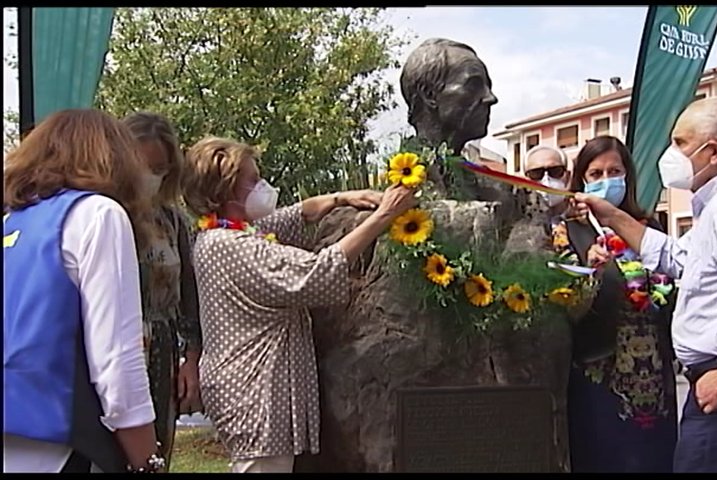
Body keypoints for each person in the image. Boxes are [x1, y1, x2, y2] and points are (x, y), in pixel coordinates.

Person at [575, 97, 717, 473]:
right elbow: (679, 258)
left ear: (712, 152)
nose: (672, 154)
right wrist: (614, 216)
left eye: (681, 143)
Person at [181, 136, 416, 473]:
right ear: (226, 189)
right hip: (253, 396)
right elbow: (315, 272)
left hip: (251, 392)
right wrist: (383, 217)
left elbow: (289, 218)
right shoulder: (229, 245)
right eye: (252, 179)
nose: (262, 186)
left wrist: (339, 198)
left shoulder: (223, 234)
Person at [3, 109, 164, 473]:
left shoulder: (11, 221)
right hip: (61, 445)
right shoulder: (98, 215)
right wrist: (147, 461)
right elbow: (118, 362)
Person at [544, 136, 678, 472]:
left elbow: (672, 289)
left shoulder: (648, 229)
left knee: (655, 459)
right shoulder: (566, 232)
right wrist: (591, 269)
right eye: (596, 173)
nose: (606, 180)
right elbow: (564, 304)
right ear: (582, 180)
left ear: (628, 177)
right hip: (599, 372)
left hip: (654, 372)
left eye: (614, 171)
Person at [122, 112, 203, 471]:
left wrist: (192, 358)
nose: (150, 177)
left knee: (156, 455)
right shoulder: (102, 214)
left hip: (164, 350)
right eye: (143, 166)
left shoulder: (173, 222)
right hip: (118, 350)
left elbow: (190, 295)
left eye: (159, 169)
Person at [522, 145, 572, 212]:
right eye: (536, 173)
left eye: (555, 171)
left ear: (568, 177)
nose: (546, 179)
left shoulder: (587, 216)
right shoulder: (514, 220)